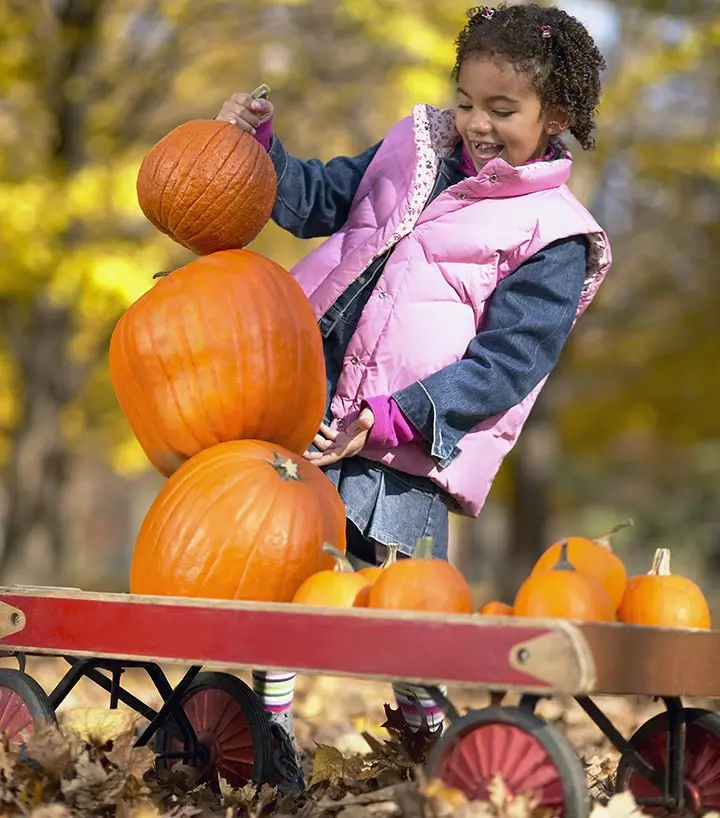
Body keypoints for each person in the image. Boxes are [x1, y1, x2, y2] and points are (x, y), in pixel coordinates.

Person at [215, 0, 611, 780]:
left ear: (555, 113)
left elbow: (507, 363)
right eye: (466, 101)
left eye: (503, 109)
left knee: (404, 613)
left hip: (406, 443)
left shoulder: (552, 233)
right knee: (281, 583)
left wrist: (398, 416)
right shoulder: (416, 146)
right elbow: (321, 199)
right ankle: (268, 739)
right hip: (311, 406)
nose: (476, 123)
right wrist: (257, 150)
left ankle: (430, 744)